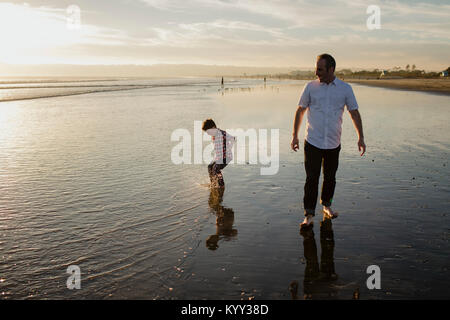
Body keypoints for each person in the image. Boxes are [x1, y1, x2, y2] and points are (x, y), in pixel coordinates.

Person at [291, 54, 366, 227]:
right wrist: (294, 135)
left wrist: (360, 137)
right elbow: (300, 110)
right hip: (312, 141)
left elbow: (354, 112)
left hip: (333, 142)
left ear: (331, 69)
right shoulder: (310, 87)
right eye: (316, 68)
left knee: (330, 177)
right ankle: (308, 214)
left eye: (320, 69)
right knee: (312, 178)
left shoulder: (345, 89)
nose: (316, 72)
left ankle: (327, 205)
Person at [202, 118, 235, 188]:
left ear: (213, 127)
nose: (208, 134)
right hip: (218, 157)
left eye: (208, 132)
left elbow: (233, 138)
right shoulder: (213, 136)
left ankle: (221, 185)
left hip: (226, 157)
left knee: (216, 168)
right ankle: (213, 183)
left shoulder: (222, 133)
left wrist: (229, 148)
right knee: (210, 166)